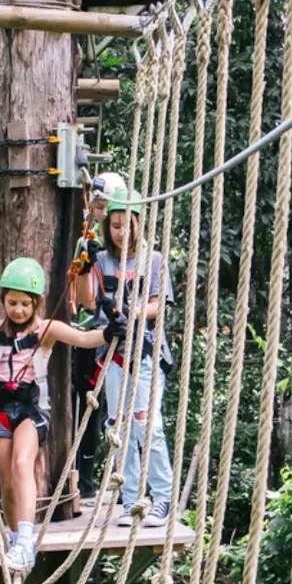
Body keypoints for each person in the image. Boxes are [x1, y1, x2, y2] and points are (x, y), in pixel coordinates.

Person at [0, 256, 123, 572]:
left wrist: (109, 333)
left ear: (36, 303)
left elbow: (82, 338)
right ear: (3, 301)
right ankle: (16, 540)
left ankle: (26, 543)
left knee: (23, 463)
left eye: (26, 303)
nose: (19, 310)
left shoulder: (46, 330)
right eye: (12, 303)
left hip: (31, 410)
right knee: (7, 482)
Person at [77, 186, 174, 527]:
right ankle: (132, 497)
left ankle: (162, 495)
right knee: (118, 426)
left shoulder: (154, 259)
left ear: (138, 223)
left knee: (147, 424)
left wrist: (130, 314)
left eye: (127, 224)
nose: (122, 232)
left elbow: (157, 304)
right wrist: (86, 264)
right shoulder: (103, 261)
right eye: (115, 225)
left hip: (145, 352)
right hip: (113, 356)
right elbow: (88, 302)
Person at [70, 171, 127, 506]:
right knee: (88, 405)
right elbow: (85, 299)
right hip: (90, 332)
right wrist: (87, 261)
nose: (103, 213)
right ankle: (86, 479)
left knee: (120, 408)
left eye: (108, 207)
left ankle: (124, 479)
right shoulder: (86, 240)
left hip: (121, 336)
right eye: (99, 206)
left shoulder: (133, 248)